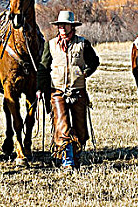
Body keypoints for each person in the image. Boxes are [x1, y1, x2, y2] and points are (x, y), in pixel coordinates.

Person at [37, 10, 100, 171]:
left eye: (65, 25)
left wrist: (83, 74)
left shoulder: (83, 43)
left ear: (72, 27)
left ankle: (76, 154)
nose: (62, 28)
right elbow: (43, 68)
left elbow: (94, 62)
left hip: (78, 90)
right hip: (57, 91)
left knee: (80, 127)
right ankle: (68, 160)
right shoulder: (50, 45)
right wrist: (39, 89)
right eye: (60, 25)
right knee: (62, 125)